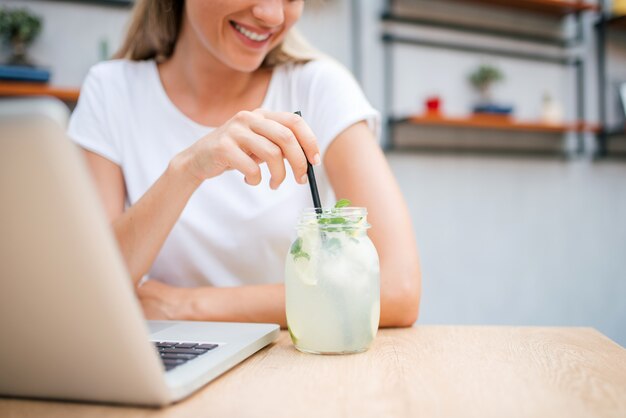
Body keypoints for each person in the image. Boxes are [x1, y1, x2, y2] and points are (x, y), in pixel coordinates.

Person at [68, 0, 421, 328]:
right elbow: (86, 293)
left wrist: (189, 307)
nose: (273, 15)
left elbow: (397, 290)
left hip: (286, 361)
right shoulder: (111, 91)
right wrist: (187, 169)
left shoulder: (318, 87)